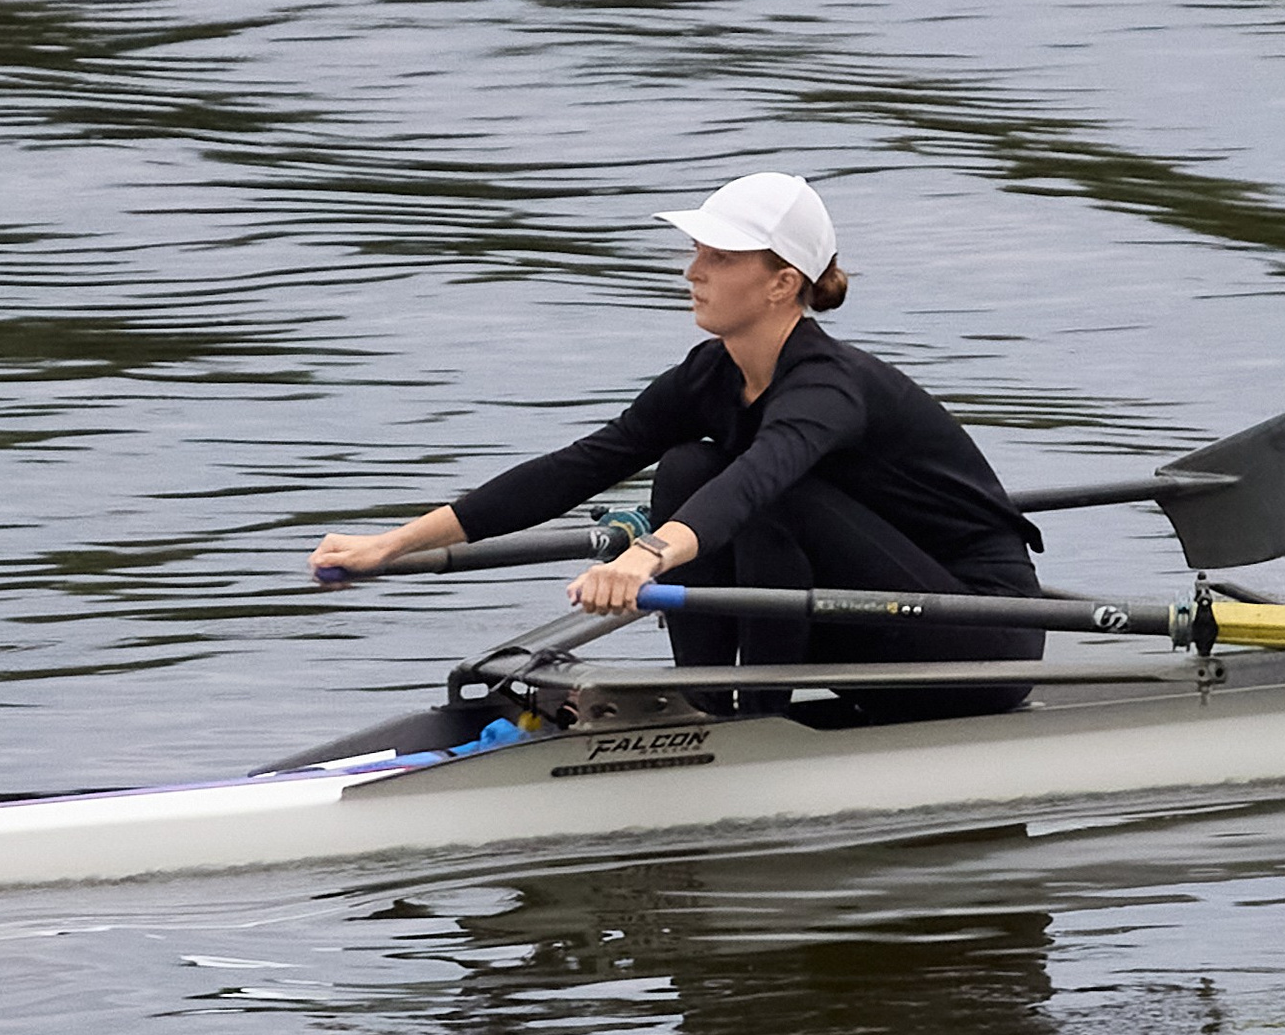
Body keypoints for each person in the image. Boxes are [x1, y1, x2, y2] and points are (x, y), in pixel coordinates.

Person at [308, 171, 1045, 718]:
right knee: (688, 464)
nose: (693, 271)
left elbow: (759, 479)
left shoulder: (830, 387)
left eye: (719, 258)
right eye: (697, 251)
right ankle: (709, 706)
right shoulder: (712, 373)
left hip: (978, 639)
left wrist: (646, 554)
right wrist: (395, 543)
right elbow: (583, 465)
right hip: (868, 615)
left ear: (782, 283)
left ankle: (754, 723)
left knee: (761, 494)